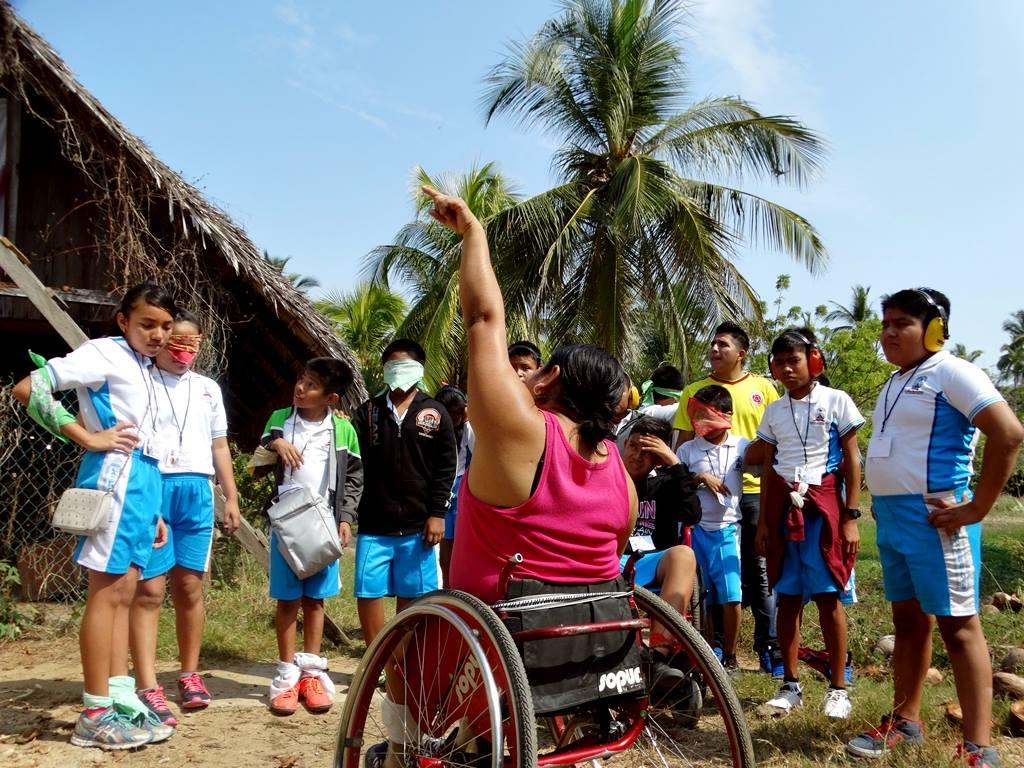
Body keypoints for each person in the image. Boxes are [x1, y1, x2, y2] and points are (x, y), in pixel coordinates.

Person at [354, 186, 638, 768]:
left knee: (408, 656)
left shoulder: (522, 431)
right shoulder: (623, 479)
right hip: (588, 645)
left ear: (549, 377)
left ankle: (405, 750)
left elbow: (484, 318)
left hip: (499, 631)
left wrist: (473, 233)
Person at [846, 289, 1023, 766]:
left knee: (959, 626)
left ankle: (979, 746)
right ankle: (906, 721)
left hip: (937, 518)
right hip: (895, 519)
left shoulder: (952, 372)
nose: (887, 333)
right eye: (884, 324)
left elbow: (1008, 433)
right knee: (908, 621)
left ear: (935, 328)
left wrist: (977, 508)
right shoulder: (895, 381)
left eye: (900, 323)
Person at [12, 282, 179, 749]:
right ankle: (95, 712)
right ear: (123, 321)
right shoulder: (102, 353)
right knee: (106, 594)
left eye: (166, 326)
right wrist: (87, 438)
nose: (158, 334)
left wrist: (157, 510)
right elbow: (29, 387)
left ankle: (121, 697)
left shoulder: (145, 367)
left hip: (143, 483)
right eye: (147, 324)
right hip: (114, 478)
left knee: (126, 591)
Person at [130, 310, 241, 726]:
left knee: (190, 587)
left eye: (192, 345)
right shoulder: (140, 380)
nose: (184, 352)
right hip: (153, 484)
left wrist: (230, 496)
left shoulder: (208, 389)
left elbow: (220, 445)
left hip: (197, 489)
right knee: (149, 591)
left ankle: (189, 675)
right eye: (176, 342)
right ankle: (146, 684)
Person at [754, 328, 864, 720]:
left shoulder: (837, 401)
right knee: (786, 596)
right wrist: (764, 524)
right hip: (783, 509)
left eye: (794, 360)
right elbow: (767, 467)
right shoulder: (773, 411)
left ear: (813, 361)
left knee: (828, 595)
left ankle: (838, 688)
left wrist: (851, 517)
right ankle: (790, 684)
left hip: (824, 507)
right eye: (779, 362)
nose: (786, 369)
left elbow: (852, 460)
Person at [673, 321, 782, 675]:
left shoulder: (764, 388)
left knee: (760, 573)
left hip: (754, 495)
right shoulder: (694, 390)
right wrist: (695, 479)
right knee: (707, 583)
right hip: (705, 506)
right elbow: (680, 453)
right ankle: (715, 648)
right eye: (712, 344)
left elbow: (776, 443)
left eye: (722, 345)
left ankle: (768, 648)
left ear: (741, 353)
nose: (715, 350)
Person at [258, 357, 363, 716]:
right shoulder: (279, 420)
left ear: (331, 398)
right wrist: (277, 444)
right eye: (301, 379)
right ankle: (286, 675)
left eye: (311, 385)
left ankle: (311, 673)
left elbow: (353, 478)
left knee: (316, 600)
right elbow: (263, 442)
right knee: (287, 599)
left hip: (324, 524)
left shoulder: (344, 431)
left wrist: (346, 518)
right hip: (287, 523)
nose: (301, 388)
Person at [352, 339, 457, 646]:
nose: (398, 373)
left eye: (405, 366)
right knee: (369, 592)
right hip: (374, 525)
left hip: (418, 528)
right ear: (385, 370)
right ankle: (376, 658)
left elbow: (445, 467)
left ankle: (404, 662)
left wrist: (437, 513)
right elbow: (353, 466)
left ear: (419, 370)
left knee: (413, 598)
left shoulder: (436, 413)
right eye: (392, 366)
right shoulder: (367, 412)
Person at [619, 416, 701, 685]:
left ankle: (658, 657)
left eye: (647, 452)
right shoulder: (608, 477)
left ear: (658, 458)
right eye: (632, 447)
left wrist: (675, 464)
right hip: (611, 560)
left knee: (684, 554)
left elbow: (691, 515)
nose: (636, 456)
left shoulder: (666, 483)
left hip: (651, 561)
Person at [676, 385, 748, 672]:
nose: (700, 421)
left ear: (727, 415)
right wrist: (700, 478)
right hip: (695, 530)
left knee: (731, 596)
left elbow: (764, 467)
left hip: (727, 530)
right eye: (698, 414)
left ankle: (730, 656)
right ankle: (704, 654)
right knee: (699, 597)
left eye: (708, 414)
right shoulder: (687, 449)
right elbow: (676, 483)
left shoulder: (743, 447)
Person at [434, 384, 474, 587]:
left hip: (462, 489)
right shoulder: (434, 428)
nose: (455, 418)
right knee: (445, 546)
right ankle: (448, 588)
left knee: (461, 545)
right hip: (443, 490)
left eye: (458, 413)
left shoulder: (469, 429)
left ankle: (459, 588)